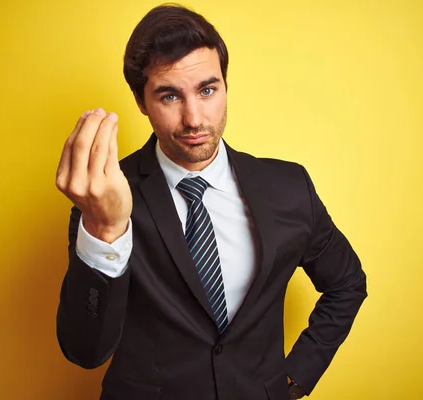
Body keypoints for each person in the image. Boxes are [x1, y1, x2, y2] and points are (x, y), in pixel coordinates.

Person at [55, 4, 367, 400]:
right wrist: (105, 229)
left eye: (207, 90)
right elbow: (85, 351)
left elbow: (347, 283)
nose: (194, 119)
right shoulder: (105, 197)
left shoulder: (288, 187)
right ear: (140, 100)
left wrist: (294, 378)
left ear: (224, 84)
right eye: (169, 96)